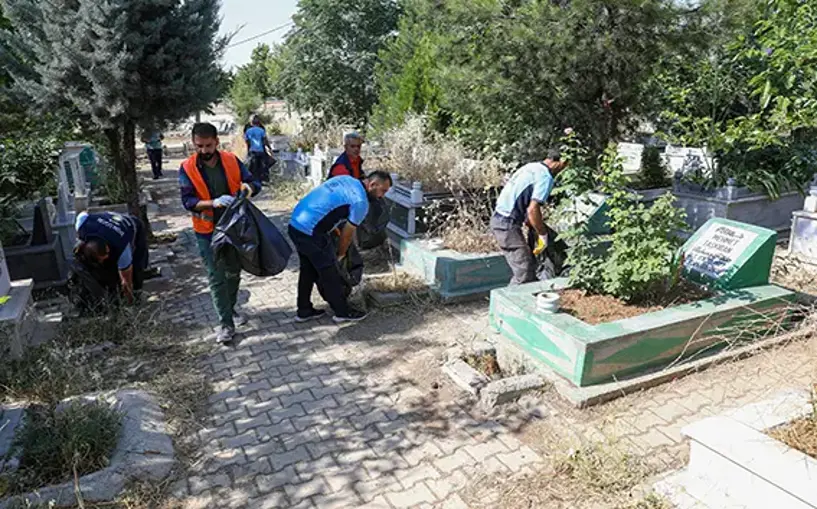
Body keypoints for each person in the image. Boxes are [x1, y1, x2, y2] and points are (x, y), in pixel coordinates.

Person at [179, 122, 262, 343]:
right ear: (193, 144)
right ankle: (225, 324)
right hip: (206, 230)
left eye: (208, 145)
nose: (204, 151)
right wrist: (212, 203)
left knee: (233, 271)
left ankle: (231, 308)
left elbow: (254, 182)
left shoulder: (231, 160)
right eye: (199, 146)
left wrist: (247, 189)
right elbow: (187, 201)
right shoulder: (187, 167)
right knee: (216, 276)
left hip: (234, 226)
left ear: (217, 142)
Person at [288, 171, 393, 323]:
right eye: (382, 191)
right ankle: (342, 312)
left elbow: (330, 203)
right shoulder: (360, 202)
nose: (382, 196)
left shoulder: (347, 180)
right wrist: (341, 254)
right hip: (311, 231)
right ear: (372, 185)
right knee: (329, 270)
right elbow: (347, 234)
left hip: (296, 223)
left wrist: (332, 227)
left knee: (308, 269)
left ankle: (304, 310)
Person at [491, 149, 568, 285]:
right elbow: (533, 209)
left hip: (500, 218)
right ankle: (511, 302)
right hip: (506, 225)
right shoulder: (545, 177)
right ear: (561, 161)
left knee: (526, 264)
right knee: (525, 270)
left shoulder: (531, 167)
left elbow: (524, 204)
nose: (564, 169)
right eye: (565, 165)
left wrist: (532, 225)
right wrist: (542, 235)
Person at [74, 211, 149, 304]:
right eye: (104, 258)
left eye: (108, 253)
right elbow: (83, 213)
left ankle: (137, 296)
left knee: (137, 268)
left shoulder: (122, 247)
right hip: (112, 223)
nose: (108, 256)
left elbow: (126, 280)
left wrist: (130, 301)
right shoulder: (83, 224)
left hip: (133, 226)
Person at [244, 115, 273, 182]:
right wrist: (269, 148)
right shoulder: (261, 130)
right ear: (259, 123)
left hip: (252, 151)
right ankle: (262, 180)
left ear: (252, 123)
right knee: (262, 166)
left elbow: (247, 141)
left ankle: (254, 181)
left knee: (253, 167)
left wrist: (249, 148)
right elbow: (265, 140)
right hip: (260, 151)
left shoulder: (248, 131)